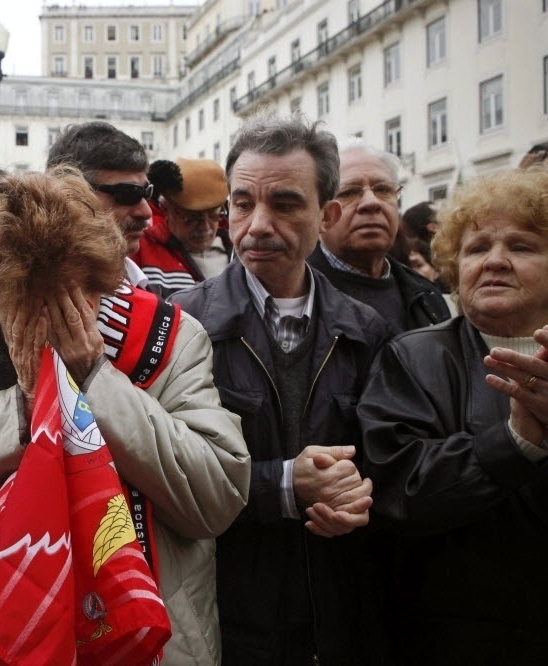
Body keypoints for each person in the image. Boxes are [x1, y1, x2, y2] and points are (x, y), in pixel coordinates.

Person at [0, 167, 250, 665]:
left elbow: (216, 496)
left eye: (70, 299)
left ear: (101, 279)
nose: (51, 321)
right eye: (26, 303)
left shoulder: (173, 338)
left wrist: (94, 380)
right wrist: (21, 408)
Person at [170, 114, 393, 665]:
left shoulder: (366, 330)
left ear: (328, 213)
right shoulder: (177, 326)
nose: (257, 225)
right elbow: (164, 473)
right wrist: (285, 485)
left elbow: (390, 460)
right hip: (224, 618)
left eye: (286, 204)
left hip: (337, 616)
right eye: (242, 203)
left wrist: (358, 494)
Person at [358, 167, 548, 665]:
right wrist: (517, 442)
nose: (496, 261)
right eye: (477, 247)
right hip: (454, 641)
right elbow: (398, 493)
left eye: (523, 247)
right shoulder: (414, 358)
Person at [307, 140, 450, 333]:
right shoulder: (292, 298)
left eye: (383, 190)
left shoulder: (426, 294)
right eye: (349, 192)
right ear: (322, 213)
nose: (371, 202)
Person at [46, 121, 155, 290]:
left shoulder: (147, 291)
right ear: (69, 195)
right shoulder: (22, 295)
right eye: (128, 194)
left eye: (146, 192)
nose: (146, 212)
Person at [133, 157, 231, 297]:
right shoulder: (139, 248)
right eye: (192, 218)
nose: (205, 227)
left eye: (214, 214)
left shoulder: (237, 246)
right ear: (165, 209)